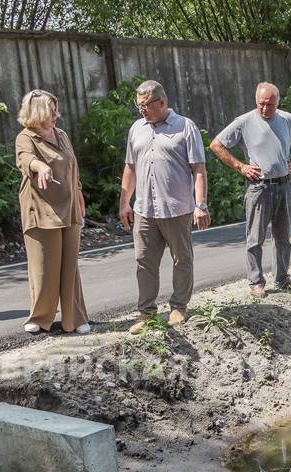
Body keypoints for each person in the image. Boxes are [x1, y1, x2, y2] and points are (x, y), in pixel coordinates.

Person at [118, 80, 210, 334]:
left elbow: (199, 170)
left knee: (182, 259)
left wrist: (200, 205)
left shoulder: (185, 126)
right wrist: (125, 202)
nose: (141, 110)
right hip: (144, 209)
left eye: (145, 105)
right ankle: (146, 313)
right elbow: (130, 167)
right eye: (138, 106)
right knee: (143, 261)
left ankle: (179, 306)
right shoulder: (137, 128)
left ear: (161, 102)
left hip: (177, 208)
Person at [209, 82, 291, 299]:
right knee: (255, 238)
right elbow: (216, 145)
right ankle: (256, 282)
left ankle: (282, 277)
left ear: (278, 102)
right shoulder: (244, 121)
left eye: (270, 104)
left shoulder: (287, 119)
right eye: (262, 104)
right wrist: (241, 166)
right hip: (259, 188)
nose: (266, 108)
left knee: (283, 236)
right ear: (256, 101)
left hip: (284, 184)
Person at [14, 89, 91, 335]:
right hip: (40, 208)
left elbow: (73, 168)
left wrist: (79, 194)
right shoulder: (26, 137)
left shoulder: (62, 135)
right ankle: (40, 317)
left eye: (56, 109)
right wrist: (40, 167)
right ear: (38, 113)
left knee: (70, 266)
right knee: (44, 267)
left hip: (68, 207)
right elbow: (24, 159)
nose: (56, 115)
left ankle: (75, 319)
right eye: (51, 110)